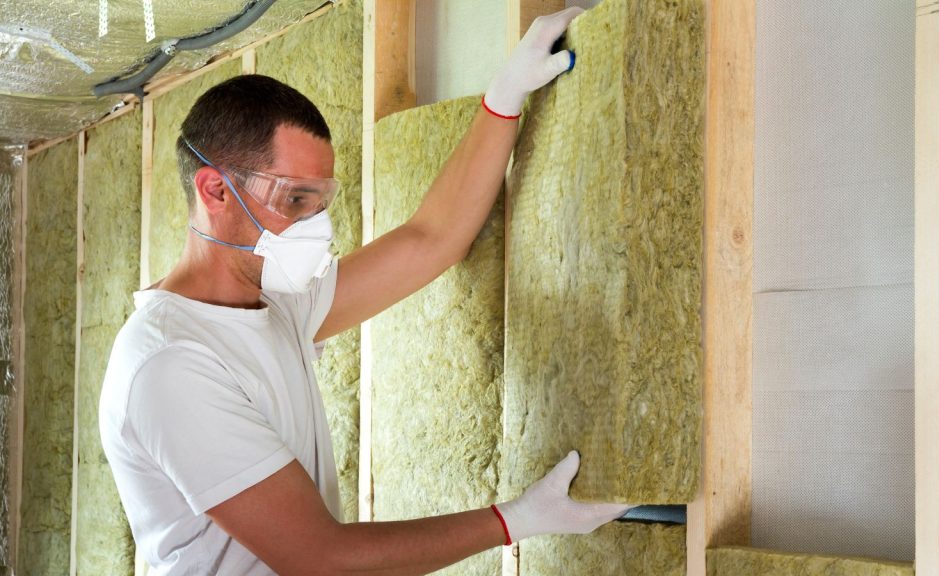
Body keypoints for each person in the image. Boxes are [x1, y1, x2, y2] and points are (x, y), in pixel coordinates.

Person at [99, 7, 630, 575]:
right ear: (216, 191)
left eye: (321, 201)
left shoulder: (275, 303)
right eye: (294, 200)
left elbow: (433, 238)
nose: (316, 226)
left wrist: (504, 96)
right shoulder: (170, 364)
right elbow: (322, 557)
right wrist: (514, 520)